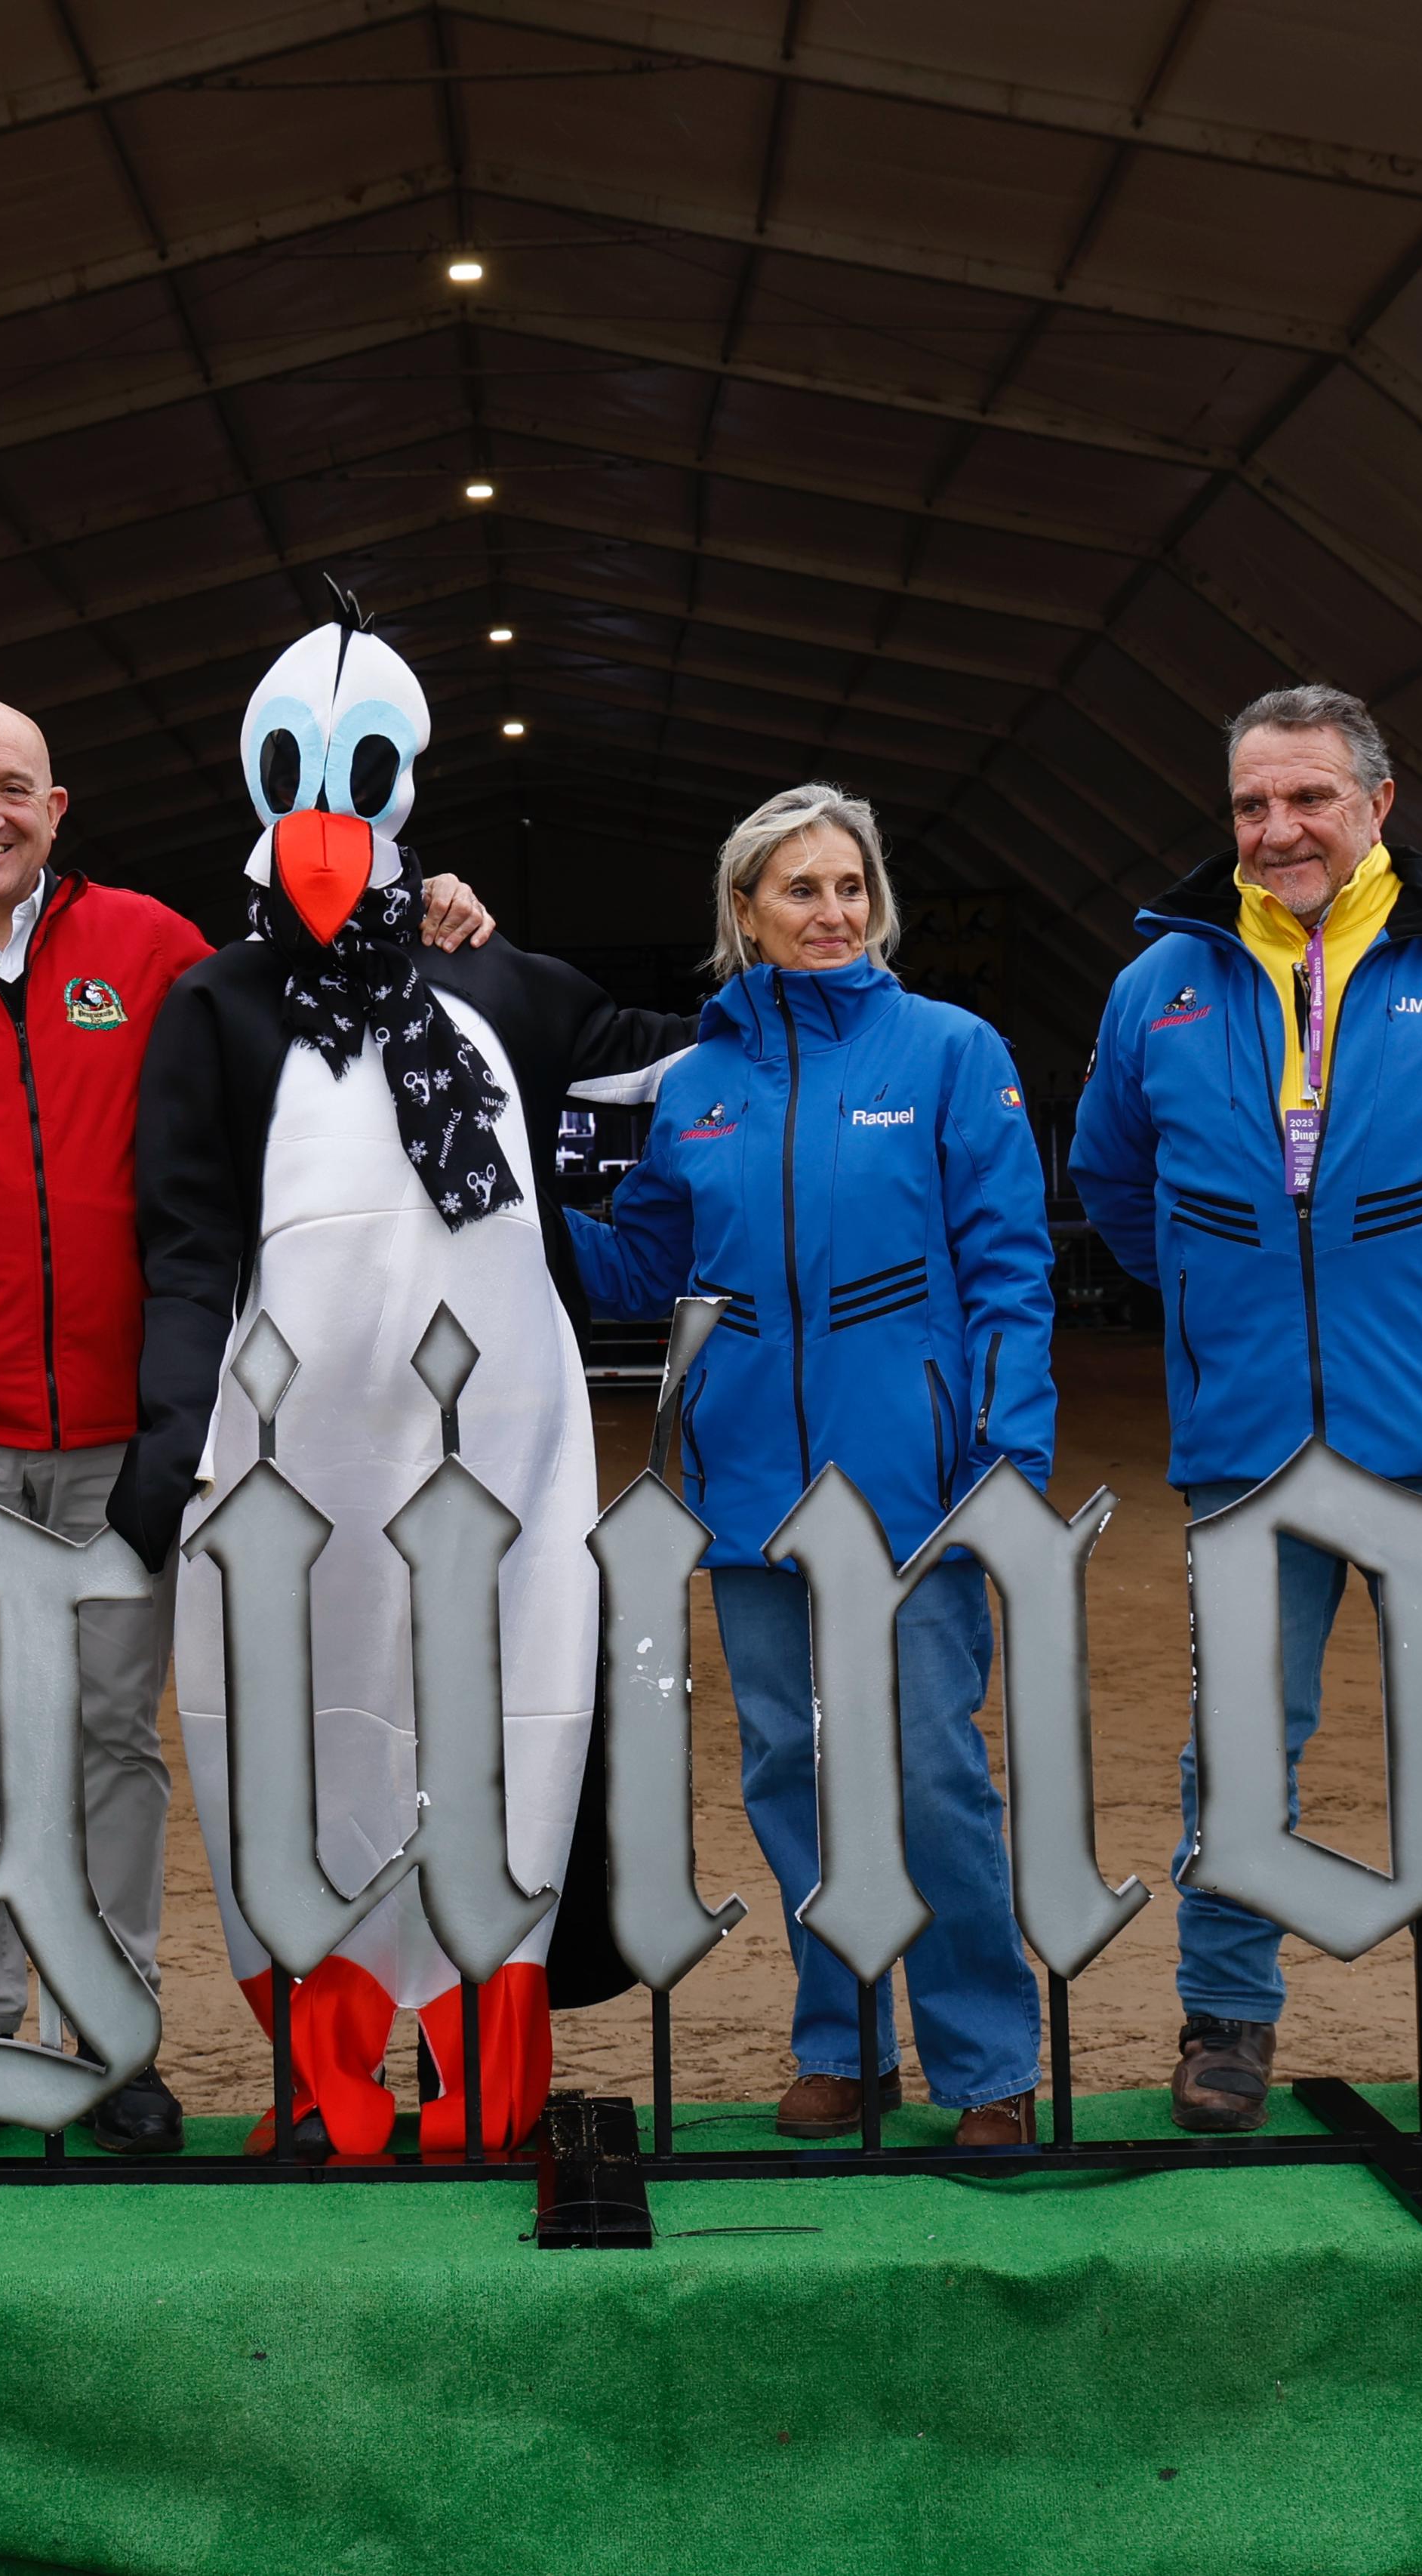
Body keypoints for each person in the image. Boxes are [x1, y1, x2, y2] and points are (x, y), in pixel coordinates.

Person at [0, 693, 495, 2158]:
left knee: (111, 1735)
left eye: (12, 788)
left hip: (122, 1434)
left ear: (56, 806)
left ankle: (109, 2032)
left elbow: (310, 1002)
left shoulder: (151, 948)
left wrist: (421, 914)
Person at [112, 612, 688, 2156]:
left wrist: (812, 971)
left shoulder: (495, 983)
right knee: (298, 1738)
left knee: (507, 1728)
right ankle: (330, 2076)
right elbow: (186, 1239)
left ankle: (485, 2066)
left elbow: (672, 1060)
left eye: (355, 767)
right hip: (288, 1463)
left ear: (403, 778)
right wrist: (172, 1432)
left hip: (504, 1456)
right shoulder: (217, 1004)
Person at [1068, 684, 1422, 2140]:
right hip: (1247, 1432)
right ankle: (1227, 2016)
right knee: (1239, 1737)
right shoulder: (1164, 983)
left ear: (1379, 804)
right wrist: (1223, 1298)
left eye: (1310, 797)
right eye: (1252, 803)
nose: (1278, 829)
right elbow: (1115, 1179)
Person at [563, 783, 1057, 2149]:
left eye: (851, 887)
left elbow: (1011, 1269)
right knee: (790, 1769)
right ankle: (844, 2041)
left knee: (931, 1774)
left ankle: (986, 2059)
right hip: (749, 1491)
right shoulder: (701, 1084)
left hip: (913, 1487)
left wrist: (1007, 1452)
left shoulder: (951, 1052)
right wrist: (517, 1206)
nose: (832, 912)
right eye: (801, 889)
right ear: (746, 910)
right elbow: (645, 1265)